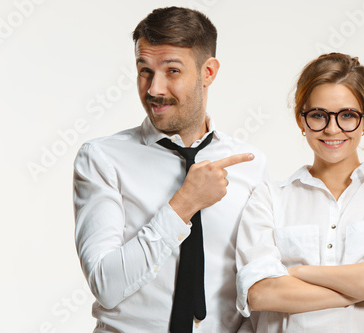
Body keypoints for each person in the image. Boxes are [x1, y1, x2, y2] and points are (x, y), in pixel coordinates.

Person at [73, 6, 267, 332]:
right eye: (144, 70)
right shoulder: (101, 159)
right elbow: (106, 284)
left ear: (208, 72)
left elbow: (258, 280)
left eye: (172, 71)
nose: (154, 90)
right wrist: (184, 203)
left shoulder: (250, 162)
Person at [235, 53, 364, 332]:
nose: (332, 128)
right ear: (302, 121)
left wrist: (296, 272)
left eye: (347, 115)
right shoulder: (268, 198)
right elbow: (262, 294)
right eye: (318, 115)